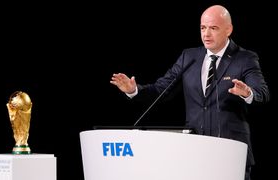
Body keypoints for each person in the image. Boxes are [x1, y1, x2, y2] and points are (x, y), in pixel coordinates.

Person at [110, 5, 270, 180]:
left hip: (232, 152)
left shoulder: (245, 58)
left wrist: (247, 93)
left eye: (213, 28)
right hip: (194, 153)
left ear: (228, 29)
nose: (206, 34)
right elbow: (161, 89)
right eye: (203, 28)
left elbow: (262, 93)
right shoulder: (189, 56)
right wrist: (134, 90)